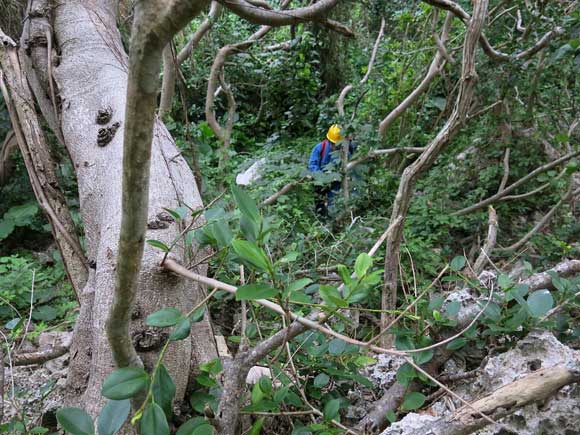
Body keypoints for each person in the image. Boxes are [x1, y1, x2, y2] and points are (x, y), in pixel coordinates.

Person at [308, 125, 355, 216]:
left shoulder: (345, 152)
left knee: (333, 203)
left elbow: (348, 163)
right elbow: (312, 164)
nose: (335, 146)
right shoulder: (319, 148)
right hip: (320, 181)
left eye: (337, 144)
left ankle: (333, 220)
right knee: (319, 204)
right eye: (333, 144)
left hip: (335, 182)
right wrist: (322, 176)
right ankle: (321, 219)